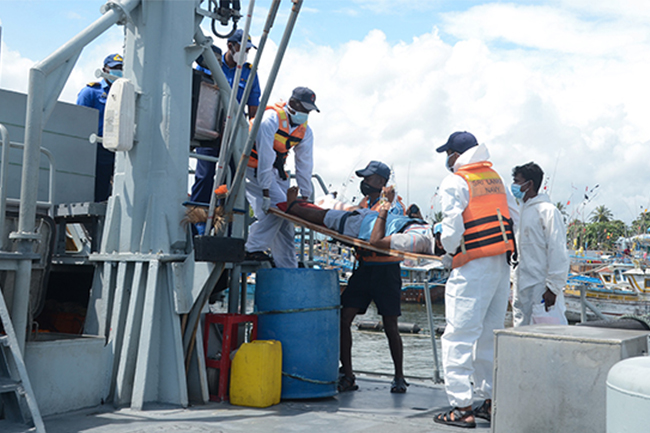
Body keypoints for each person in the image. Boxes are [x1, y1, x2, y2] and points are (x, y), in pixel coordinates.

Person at [433, 131, 519, 428]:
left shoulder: (456, 181)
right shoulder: (495, 178)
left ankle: (461, 408)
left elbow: (452, 228)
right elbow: (514, 218)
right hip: (499, 265)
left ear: (456, 155)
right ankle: (489, 402)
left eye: (448, 154)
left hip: (471, 266)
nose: (447, 159)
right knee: (488, 335)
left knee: (458, 336)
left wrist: (446, 248)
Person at [336, 161, 409, 394]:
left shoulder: (395, 206)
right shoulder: (365, 203)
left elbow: (385, 233)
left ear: (381, 181)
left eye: (369, 178)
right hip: (365, 268)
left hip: (386, 271)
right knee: (344, 317)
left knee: (390, 325)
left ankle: (399, 376)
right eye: (364, 178)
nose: (364, 183)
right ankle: (347, 374)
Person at [243, 87, 319, 267]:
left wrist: (305, 196)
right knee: (278, 208)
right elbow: (265, 158)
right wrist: (266, 191)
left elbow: (304, 164)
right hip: (252, 169)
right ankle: (251, 248)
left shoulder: (305, 131)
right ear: (292, 103)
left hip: (277, 172)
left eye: (309, 110)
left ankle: (287, 265)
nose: (306, 113)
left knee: (287, 218)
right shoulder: (269, 120)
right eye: (304, 108)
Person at [190, 30, 261, 206]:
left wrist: (252, 139)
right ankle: (196, 218)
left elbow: (253, 108)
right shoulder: (210, 64)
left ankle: (226, 223)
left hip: (235, 132)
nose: (245, 53)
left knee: (232, 177)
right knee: (205, 174)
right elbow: (197, 89)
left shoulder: (249, 73)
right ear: (230, 46)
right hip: (209, 127)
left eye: (248, 50)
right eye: (243, 48)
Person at [281, 187, 436, 255]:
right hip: (370, 218)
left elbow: (376, 240)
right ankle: (325, 200)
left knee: (326, 216)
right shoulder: (432, 232)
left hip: (362, 227)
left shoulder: (417, 241)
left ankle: (294, 208)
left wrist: (385, 205)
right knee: (341, 211)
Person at [510, 162, 569, 326]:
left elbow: (558, 251)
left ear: (529, 184)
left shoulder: (548, 211)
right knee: (522, 334)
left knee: (547, 333)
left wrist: (553, 287)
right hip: (522, 286)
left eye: (517, 181)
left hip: (541, 288)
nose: (513, 186)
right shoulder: (520, 211)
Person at [76, 53, 123, 202]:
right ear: (105, 69)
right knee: (99, 189)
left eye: (122, 68)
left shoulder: (125, 93)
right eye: (116, 68)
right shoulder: (90, 92)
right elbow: (79, 122)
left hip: (119, 148)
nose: (119, 71)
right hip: (96, 147)